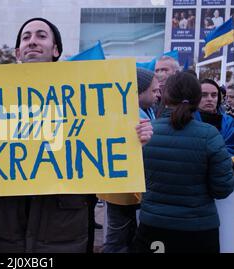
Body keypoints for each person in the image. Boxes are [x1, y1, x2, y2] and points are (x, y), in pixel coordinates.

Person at [0, 17, 154, 253]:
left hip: (63, 230)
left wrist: (135, 140)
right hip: (6, 231)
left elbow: (107, 152)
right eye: (26, 37)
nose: (32, 41)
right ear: (18, 52)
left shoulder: (85, 97)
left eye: (41, 36)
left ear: (56, 50)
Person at [133, 72, 234, 253]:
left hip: (154, 226)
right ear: (197, 98)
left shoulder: (145, 133)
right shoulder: (210, 135)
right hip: (199, 230)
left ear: (165, 97)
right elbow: (222, 189)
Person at [99, 68, 160, 253]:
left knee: (128, 233)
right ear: (139, 91)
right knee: (117, 238)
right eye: (154, 90)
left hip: (131, 190)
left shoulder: (147, 111)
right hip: (121, 192)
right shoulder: (128, 115)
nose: (158, 94)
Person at [194, 79, 234, 155]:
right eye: (204, 95)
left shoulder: (229, 122)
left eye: (214, 95)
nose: (210, 99)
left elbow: (231, 148)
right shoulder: (187, 119)